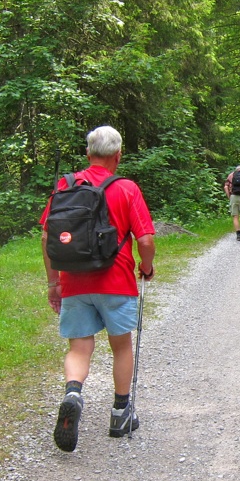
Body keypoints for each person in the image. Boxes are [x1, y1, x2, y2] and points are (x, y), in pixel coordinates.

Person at [41, 125, 156, 452]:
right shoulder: (126, 188)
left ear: (88, 153)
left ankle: (73, 393)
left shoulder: (66, 185)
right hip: (115, 280)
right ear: (118, 156)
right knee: (121, 346)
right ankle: (120, 414)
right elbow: (146, 239)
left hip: (74, 281)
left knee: (79, 348)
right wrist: (146, 267)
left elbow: (47, 236)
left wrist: (54, 283)